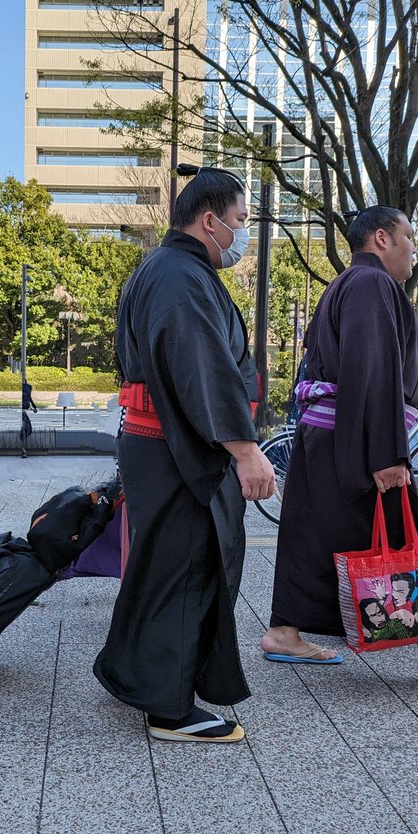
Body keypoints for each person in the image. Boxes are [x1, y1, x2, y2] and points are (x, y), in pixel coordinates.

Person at [263, 205, 418, 689]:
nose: (414, 249)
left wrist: (412, 388)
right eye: (409, 238)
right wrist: (385, 455)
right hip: (359, 436)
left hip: (330, 433)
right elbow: (366, 369)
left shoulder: (349, 284)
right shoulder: (372, 285)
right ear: (381, 238)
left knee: (313, 530)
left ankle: (284, 632)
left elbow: (364, 363)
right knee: (406, 532)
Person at [93, 168, 276, 742]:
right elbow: (203, 370)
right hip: (177, 448)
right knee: (187, 566)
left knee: (164, 565)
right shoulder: (179, 276)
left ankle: (137, 675)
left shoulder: (166, 269)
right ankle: (168, 709)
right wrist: (246, 450)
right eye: (241, 221)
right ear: (209, 220)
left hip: (160, 441)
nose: (242, 234)